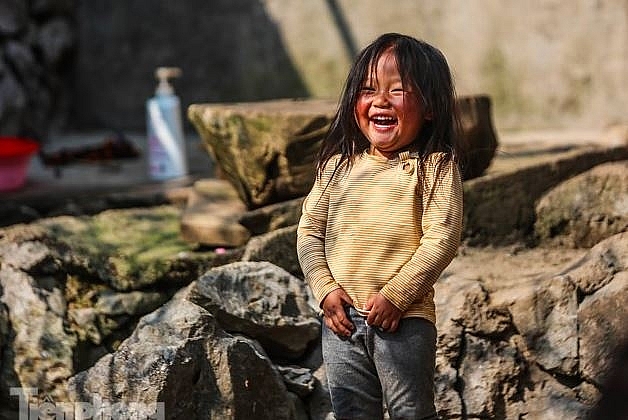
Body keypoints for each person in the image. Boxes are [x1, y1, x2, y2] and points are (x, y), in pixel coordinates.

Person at [296, 33, 464, 419]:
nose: (381, 100)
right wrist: (324, 290)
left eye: (398, 90)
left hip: (404, 320)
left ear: (430, 109)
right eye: (369, 89)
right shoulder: (338, 166)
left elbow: (442, 238)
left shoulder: (434, 166)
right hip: (340, 320)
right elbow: (309, 231)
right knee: (351, 410)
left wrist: (397, 296)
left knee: (411, 411)